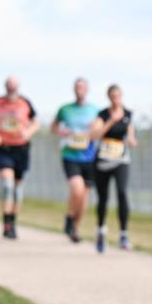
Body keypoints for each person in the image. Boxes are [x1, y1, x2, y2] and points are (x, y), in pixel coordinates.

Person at [89, 84, 138, 253]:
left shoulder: (128, 115)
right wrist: (111, 120)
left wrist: (132, 141)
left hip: (121, 160)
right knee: (103, 198)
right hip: (102, 161)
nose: (116, 99)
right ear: (108, 97)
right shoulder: (102, 115)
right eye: (112, 96)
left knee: (122, 192)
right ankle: (101, 231)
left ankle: (124, 234)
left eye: (118, 95)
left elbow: (130, 135)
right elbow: (94, 135)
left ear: (121, 95)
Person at [51, 78, 99, 243]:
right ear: (74, 89)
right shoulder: (65, 109)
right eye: (77, 87)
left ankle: (75, 229)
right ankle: (70, 217)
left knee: (84, 198)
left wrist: (95, 128)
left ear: (87, 89)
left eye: (83, 87)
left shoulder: (95, 110)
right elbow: (53, 127)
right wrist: (60, 131)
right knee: (77, 190)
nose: (80, 89)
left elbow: (99, 131)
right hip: (70, 155)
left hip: (89, 157)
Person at [0, 76, 40, 239]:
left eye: (14, 85)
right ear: (5, 86)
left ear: (18, 87)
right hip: (4, 148)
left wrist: (28, 132)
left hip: (21, 149)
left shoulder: (25, 102)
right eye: (9, 85)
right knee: (7, 185)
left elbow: (36, 122)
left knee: (18, 190)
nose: (11, 88)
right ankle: (5, 223)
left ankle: (13, 222)